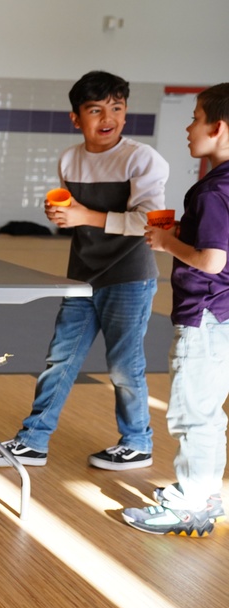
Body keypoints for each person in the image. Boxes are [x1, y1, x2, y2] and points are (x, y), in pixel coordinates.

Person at [0, 70, 170, 470]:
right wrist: (60, 213)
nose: (109, 117)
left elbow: (153, 223)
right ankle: (33, 441)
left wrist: (85, 214)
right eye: (96, 109)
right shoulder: (69, 158)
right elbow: (77, 216)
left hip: (130, 275)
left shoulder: (142, 158)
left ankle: (137, 442)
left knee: (124, 364)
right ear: (75, 118)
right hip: (82, 275)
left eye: (117, 108)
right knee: (60, 359)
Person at [123, 83, 229, 537]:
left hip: (205, 314)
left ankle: (194, 503)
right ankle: (202, 493)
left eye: (196, 117)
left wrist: (167, 242)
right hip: (224, 313)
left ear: (218, 128)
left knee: (195, 411)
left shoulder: (213, 190)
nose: (189, 127)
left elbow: (212, 260)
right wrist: (185, 230)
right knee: (206, 409)